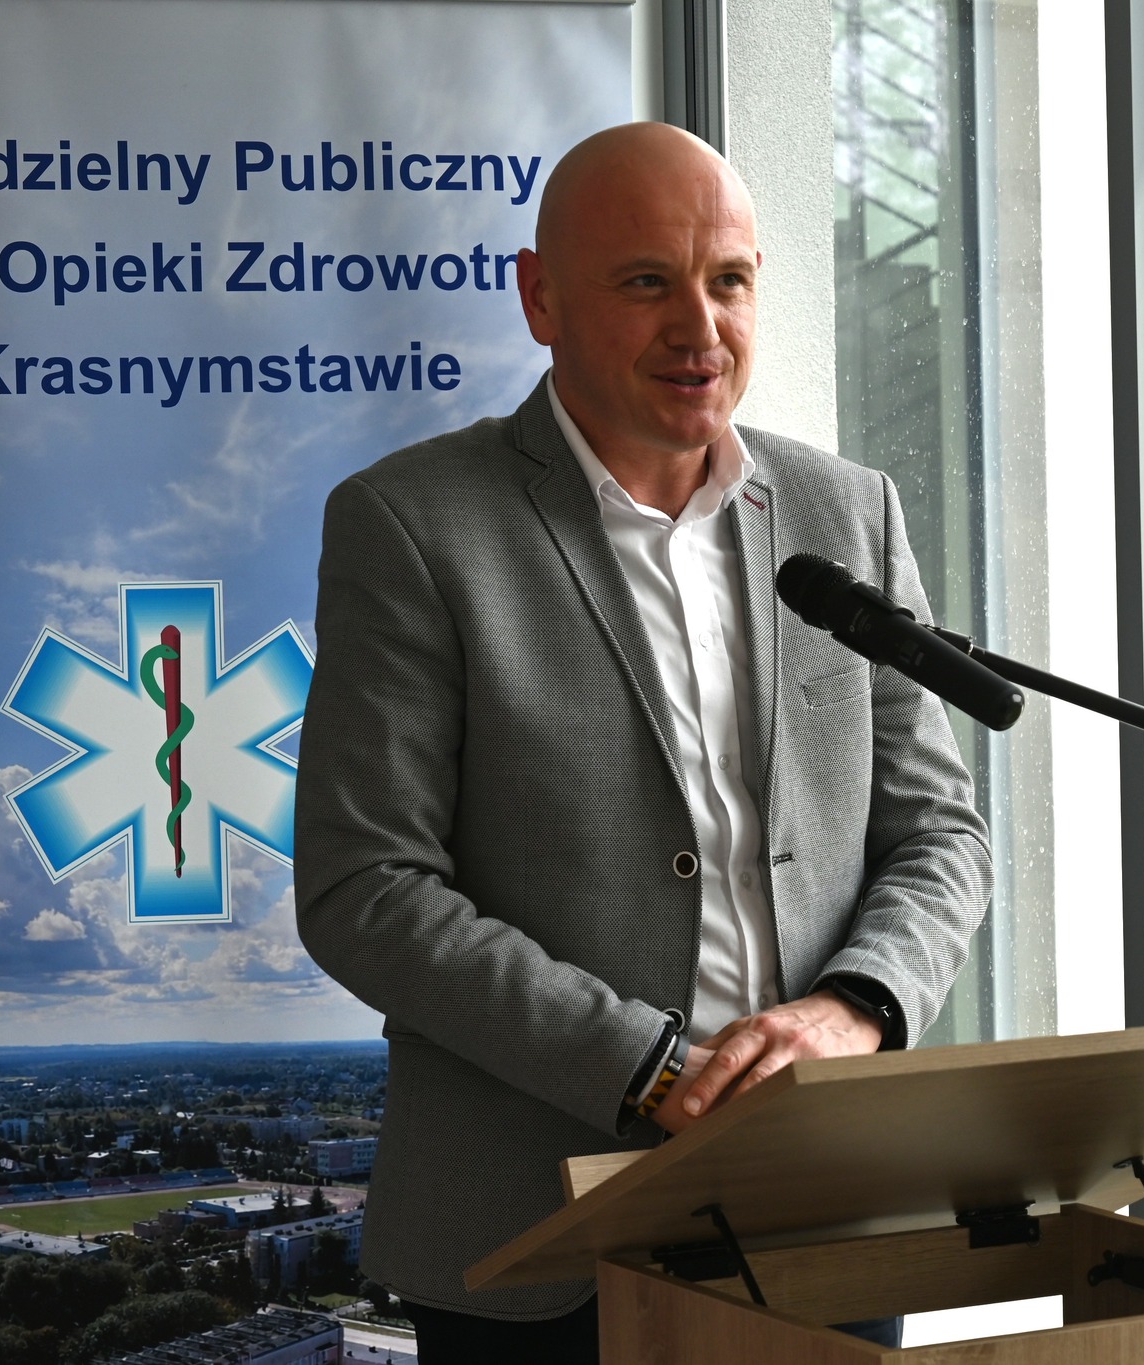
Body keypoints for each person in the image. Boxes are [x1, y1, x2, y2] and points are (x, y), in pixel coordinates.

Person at [294, 121, 991, 1364]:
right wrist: (652, 1071)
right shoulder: (411, 524)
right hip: (538, 1238)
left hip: (821, 1211)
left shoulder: (846, 513)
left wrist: (854, 1010)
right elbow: (365, 890)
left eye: (728, 280)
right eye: (644, 282)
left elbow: (938, 832)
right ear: (540, 298)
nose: (698, 328)